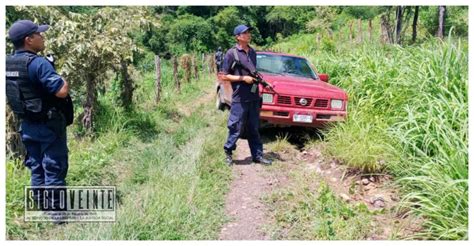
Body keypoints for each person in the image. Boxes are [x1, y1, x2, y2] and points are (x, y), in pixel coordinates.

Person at [6, 20, 71, 222]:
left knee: (36, 166)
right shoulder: (38, 63)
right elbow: (61, 91)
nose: (42, 37)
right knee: (53, 166)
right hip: (48, 125)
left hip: (26, 125)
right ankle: (56, 213)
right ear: (29, 40)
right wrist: (60, 76)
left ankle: (40, 205)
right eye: (39, 35)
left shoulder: (7, 62)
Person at [218, 24, 272, 166]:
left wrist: (265, 83)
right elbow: (224, 76)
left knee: (254, 127)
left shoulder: (253, 52)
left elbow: (253, 72)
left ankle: (257, 156)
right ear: (238, 37)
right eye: (245, 33)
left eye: (249, 32)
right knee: (236, 126)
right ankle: (229, 153)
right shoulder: (232, 53)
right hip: (240, 97)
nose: (248, 35)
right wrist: (243, 79)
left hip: (253, 96)